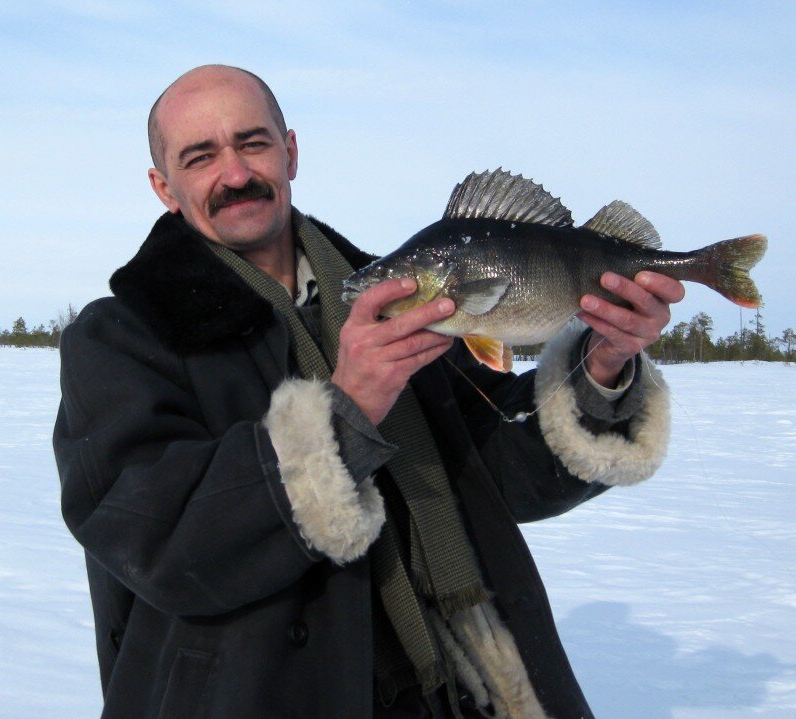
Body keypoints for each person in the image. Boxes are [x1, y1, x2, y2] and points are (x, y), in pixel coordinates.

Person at [54, 64, 683, 719]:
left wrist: (603, 366)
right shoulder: (121, 338)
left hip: (450, 691)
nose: (236, 173)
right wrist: (341, 416)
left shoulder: (403, 298)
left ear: (291, 151)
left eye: (253, 142)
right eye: (201, 155)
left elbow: (496, 475)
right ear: (164, 186)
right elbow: (157, 538)